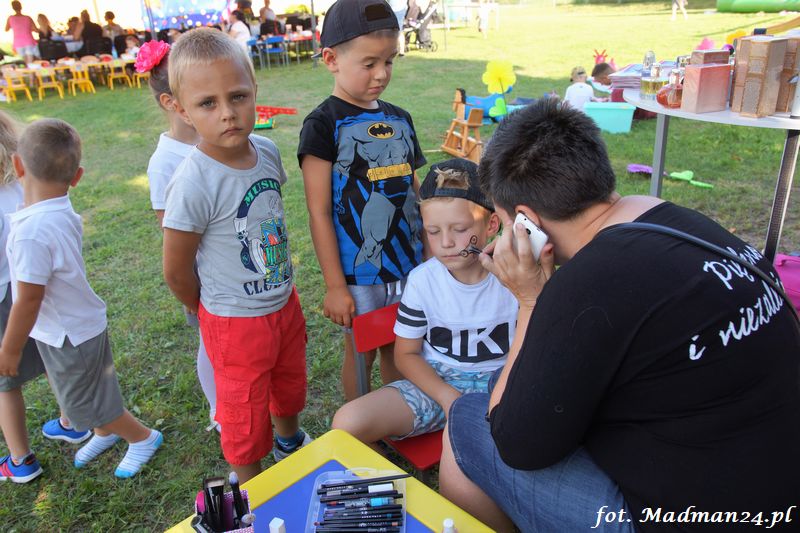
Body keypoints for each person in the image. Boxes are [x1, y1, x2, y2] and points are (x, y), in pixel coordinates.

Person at [440, 98, 800, 532]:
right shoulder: (676, 220)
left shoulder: (589, 284)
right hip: (774, 485)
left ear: (525, 222)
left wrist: (532, 300)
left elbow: (516, 445)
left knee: (467, 418)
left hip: (688, 518)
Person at [162, 28, 310, 483]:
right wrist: (205, 306)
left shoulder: (266, 151)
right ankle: (252, 487)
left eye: (238, 96)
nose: (227, 113)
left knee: (289, 382)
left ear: (255, 91)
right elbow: (176, 269)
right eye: (208, 103)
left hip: (283, 301)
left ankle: (289, 441)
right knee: (243, 410)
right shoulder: (193, 181)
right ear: (182, 109)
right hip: (234, 321)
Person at [0, 119, 164, 479]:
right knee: (90, 392)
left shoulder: (31, 232)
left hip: (69, 335)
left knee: (84, 403)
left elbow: (28, 300)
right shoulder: (57, 209)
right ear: (77, 177)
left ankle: (142, 437)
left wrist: (10, 350)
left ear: (18, 165)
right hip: (72, 327)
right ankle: (105, 432)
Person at [332, 159, 517, 448]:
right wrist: (447, 397)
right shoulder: (422, 281)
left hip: (504, 383)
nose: (446, 242)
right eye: (433, 231)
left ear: (491, 224)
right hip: (438, 384)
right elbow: (406, 354)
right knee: (348, 421)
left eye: (459, 228)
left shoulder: (516, 275)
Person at [297, 0, 426, 401]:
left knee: (401, 346)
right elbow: (318, 211)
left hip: (409, 264)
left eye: (389, 61)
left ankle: (396, 419)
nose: (381, 74)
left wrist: (431, 248)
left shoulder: (400, 117)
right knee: (361, 351)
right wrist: (336, 286)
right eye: (369, 63)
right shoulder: (323, 124)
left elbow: (415, 189)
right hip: (359, 273)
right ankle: (359, 424)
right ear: (331, 59)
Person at [0, 113, 91, 484]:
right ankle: (72, 420)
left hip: (10, 297)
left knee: (6, 383)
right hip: (45, 299)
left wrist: (9, 348)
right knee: (52, 357)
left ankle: (20, 459)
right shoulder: (26, 184)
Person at [134, 40, 214, 433]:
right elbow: (171, 230)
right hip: (202, 273)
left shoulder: (211, 139)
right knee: (211, 343)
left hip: (232, 264)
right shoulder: (164, 162)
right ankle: (219, 409)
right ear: (172, 102)